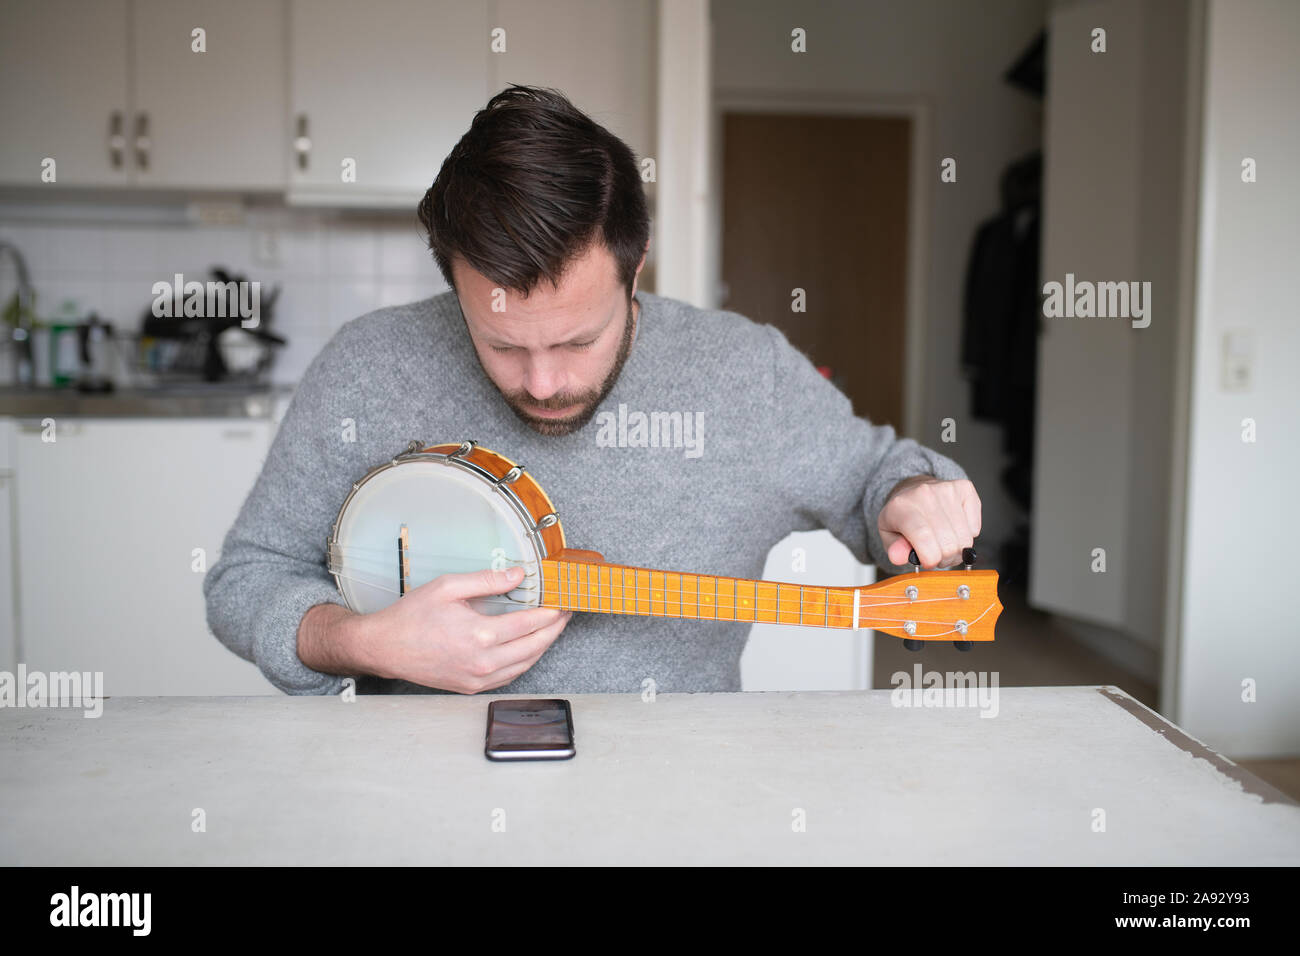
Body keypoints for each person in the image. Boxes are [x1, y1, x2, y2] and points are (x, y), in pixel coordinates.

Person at [204, 85, 981, 696]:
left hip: (678, 800)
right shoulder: (369, 365)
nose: (544, 384)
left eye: (579, 340)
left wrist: (913, 496)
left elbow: (880, 481)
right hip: (419, 799)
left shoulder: (746, 374)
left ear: (635, 264)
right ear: (451, 281)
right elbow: (247, 576)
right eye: (502, 344)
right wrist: (358, 642)